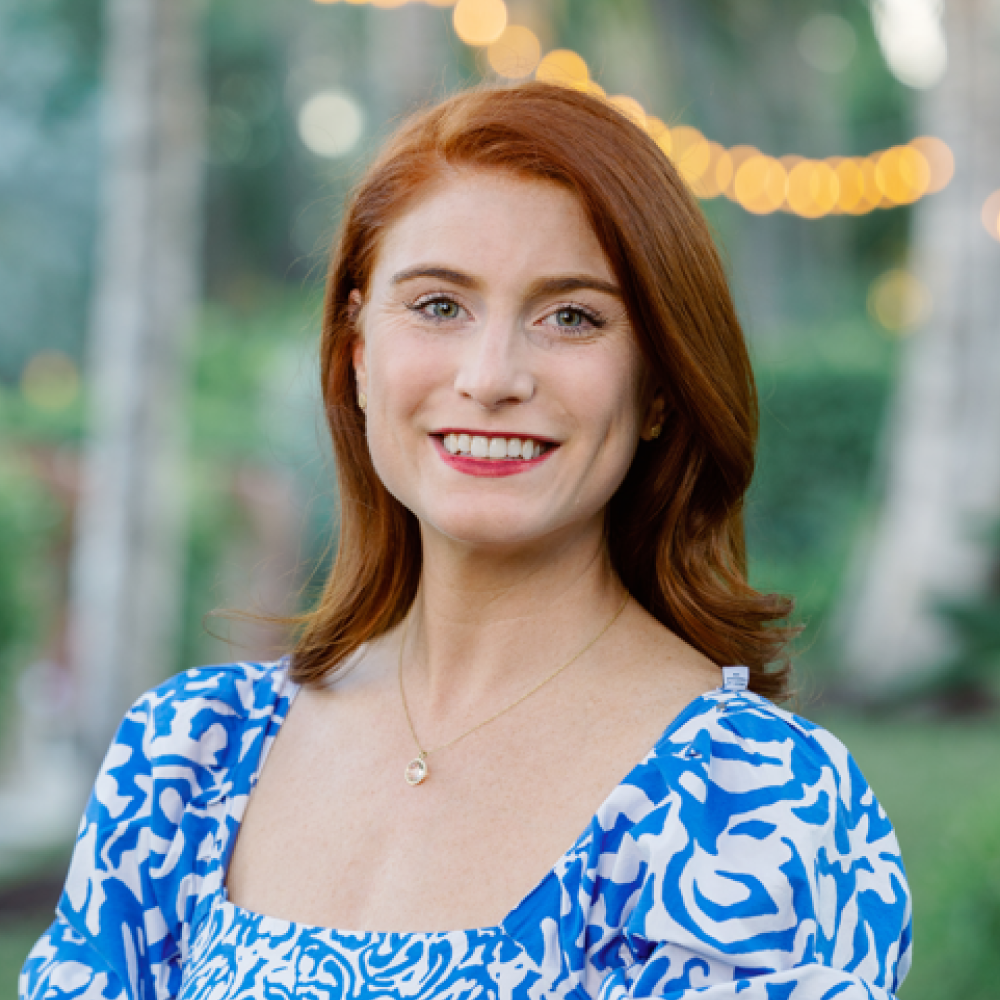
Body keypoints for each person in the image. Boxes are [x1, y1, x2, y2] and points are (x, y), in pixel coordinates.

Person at [21, 82, 911, 1000]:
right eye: (440, 306)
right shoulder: (185, 759)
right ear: (358, 352)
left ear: (657, 386)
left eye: (572, 316)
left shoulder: (754, 808)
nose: (492, 378)